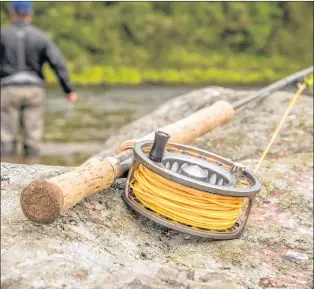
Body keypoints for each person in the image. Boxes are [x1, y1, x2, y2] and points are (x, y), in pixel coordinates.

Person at [0, 1, 78, 159]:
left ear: (12, 13)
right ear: (30, 14)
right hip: (34, 89)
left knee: (6, 137)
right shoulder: (41, 36)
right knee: (32, 138)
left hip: (8, 89)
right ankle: (32, 175)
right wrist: (68, 90)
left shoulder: (2, 35)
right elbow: (57, 64)